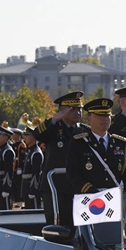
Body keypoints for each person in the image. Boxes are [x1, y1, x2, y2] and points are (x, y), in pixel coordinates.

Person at [33, 91, 86, 226]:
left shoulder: (84, 131)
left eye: (79, 109)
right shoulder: (53, 128)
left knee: (79, 225)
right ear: (62, 111)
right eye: (73, 109)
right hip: (55, 187)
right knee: (55, 225)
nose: (78, 112)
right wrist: (55, 119)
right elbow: (36, 134)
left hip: (78, 186)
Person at [67, 98, 126, 194]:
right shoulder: (78, 143)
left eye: (107, 115)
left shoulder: (121, 143)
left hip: (114, 197)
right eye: (99, 116)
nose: (104, 119)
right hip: (89, 197)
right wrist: (93, 192)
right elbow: (73, 174)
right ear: (89, 119)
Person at [0, 126, 15, 210]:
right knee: (0, 210)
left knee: (6, 211)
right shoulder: (1, 150)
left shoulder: (7, 151)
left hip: (3, 185)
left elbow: (8, 171)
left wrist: (6, 188)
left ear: (5, 137)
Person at [21, 127, 43, 210]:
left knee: (34, 212)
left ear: (34, 136)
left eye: (27, 135)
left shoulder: (36, 153)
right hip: (27, 187)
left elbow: (36, 173)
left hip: (31, 188)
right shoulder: (30, 151)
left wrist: (33, 190)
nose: (25, 138)